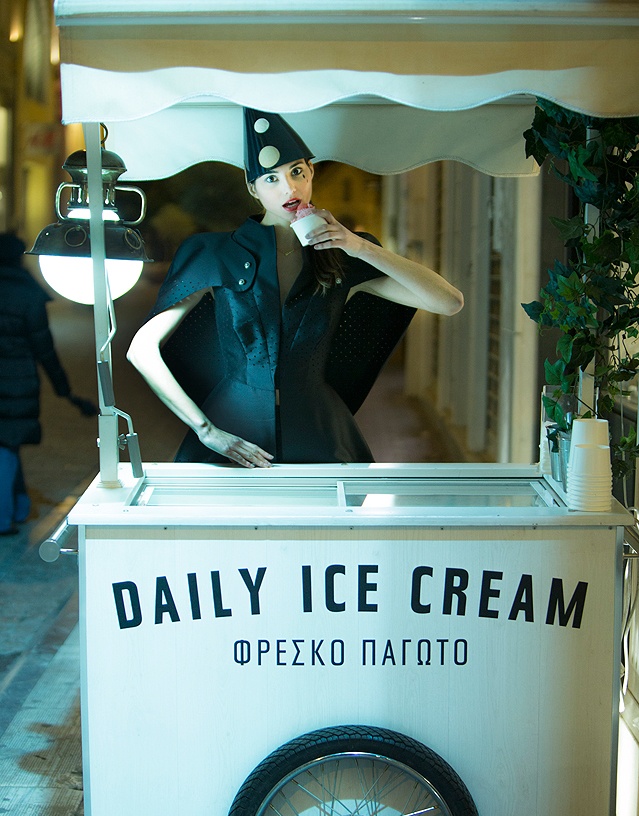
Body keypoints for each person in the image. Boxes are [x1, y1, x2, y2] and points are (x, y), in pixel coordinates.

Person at [127, 108, 463, 468]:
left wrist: (361, 247)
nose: (289, 188)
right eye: (271, 179)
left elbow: (449, 302)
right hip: (232, 432)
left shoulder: (341, 256)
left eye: (297, 172)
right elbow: (141, 350)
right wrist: (206, 430)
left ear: (311, 173)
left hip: (319, 432)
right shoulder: (215, 253)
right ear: (252, 188)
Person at [0, 232, 97, 535]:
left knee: (5, 446)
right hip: (18, 385)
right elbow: (44, 349)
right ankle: (11, 512)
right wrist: (63, 390)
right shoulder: (27, 293)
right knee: (7, 445)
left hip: (10, 385)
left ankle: (15, 508)